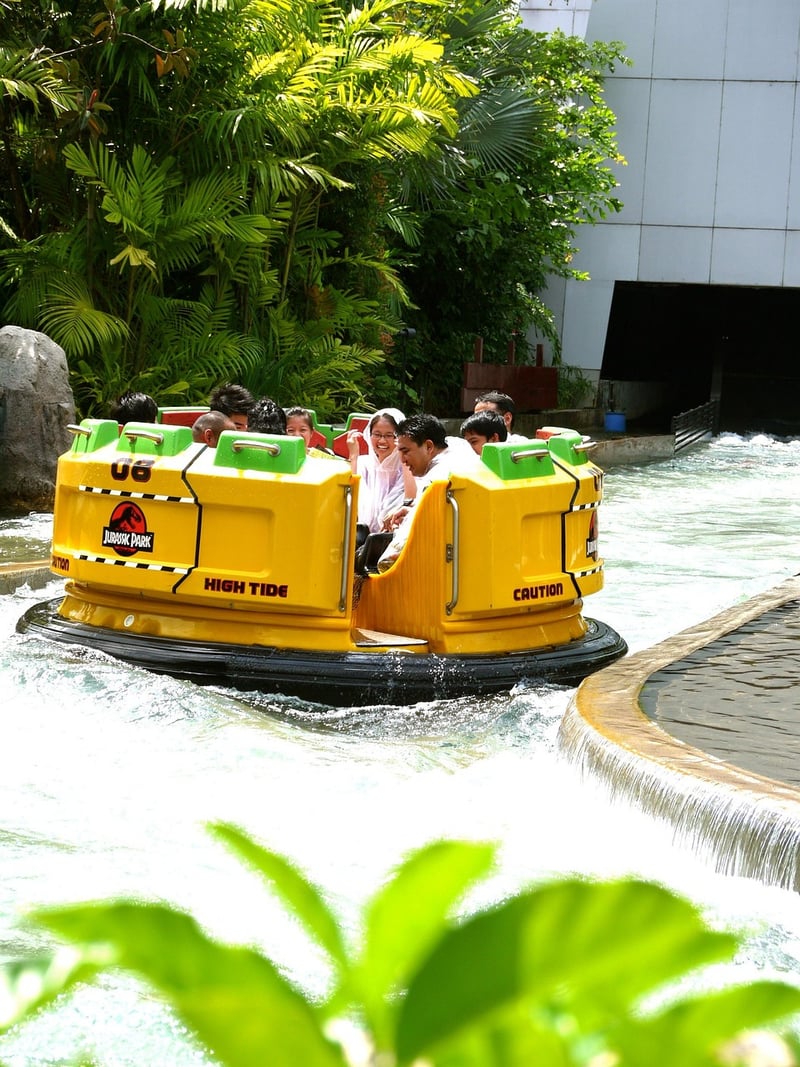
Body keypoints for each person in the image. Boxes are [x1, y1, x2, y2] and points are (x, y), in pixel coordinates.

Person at [377, 414, 461, 571]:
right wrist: (411, 511)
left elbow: (395, 553)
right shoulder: (462, 456)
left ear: (429, 446)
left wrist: (387, 560)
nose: (401, 459)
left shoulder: (438, 477)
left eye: (405, 451)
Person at [346, 408, 414, 532]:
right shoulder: (363, 464)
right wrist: (353, 457)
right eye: (377, 434)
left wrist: (404, 452)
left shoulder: (408, 467)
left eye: (389, 436)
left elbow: (410, 499)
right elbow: (348, 496)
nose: (382, 441)